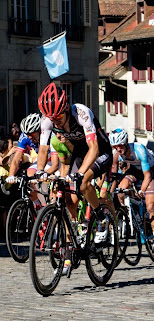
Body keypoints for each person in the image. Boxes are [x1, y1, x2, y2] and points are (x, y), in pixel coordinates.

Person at [36, 82, 114, 274]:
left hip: (100, 151)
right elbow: (43, 149)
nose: (56, 122)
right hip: (80, 153)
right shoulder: (47, 121)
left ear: (65, 108)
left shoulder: (81, 113)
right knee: (67, 196)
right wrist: (40, 171)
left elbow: (94, 149)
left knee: (83, 181)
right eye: (52, 119)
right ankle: (73, 242)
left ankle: (101, 218)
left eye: (59, 117)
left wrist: (79, 174)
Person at [109, 128, 154, 251]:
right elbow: (114, 174)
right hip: (134, 171)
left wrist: (142, 191)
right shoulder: (117, 154)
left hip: (149, 172)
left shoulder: (138, 150)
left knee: (150, 207)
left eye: (120, 146)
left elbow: (147, 176)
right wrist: (111, 191)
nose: (118, 149)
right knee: (121, 189)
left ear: (126, 143)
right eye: (115, 147)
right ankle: (128, 212)